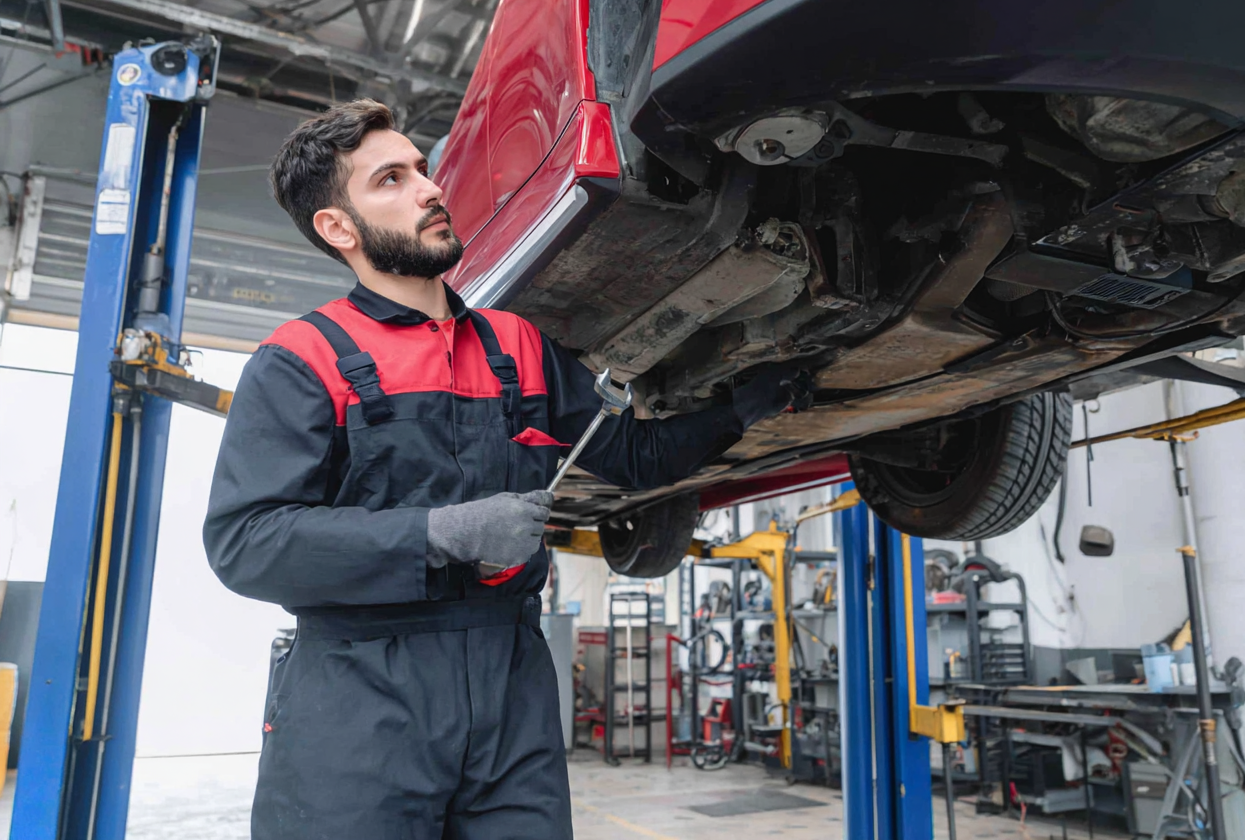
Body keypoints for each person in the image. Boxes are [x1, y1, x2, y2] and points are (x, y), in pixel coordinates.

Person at [203, 99, 810, 840]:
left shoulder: (515, 345)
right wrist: (440, 534)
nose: (429, 189)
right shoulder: (302, 359)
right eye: (390, 180)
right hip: (361, 694)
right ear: (339, 228)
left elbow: (630, 458)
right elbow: (248, 543)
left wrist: (741, 410)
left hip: (512, 688)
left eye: (423, 170)